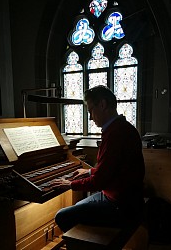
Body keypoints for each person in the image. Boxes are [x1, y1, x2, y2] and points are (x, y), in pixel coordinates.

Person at [50, 85, 145, 233]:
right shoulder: (123, 127)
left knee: (62, 216)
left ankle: (87, 244)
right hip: (128, 200)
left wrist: (70, 184)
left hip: (121, 206)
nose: (90, 117)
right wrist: (89, 172)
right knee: (78, 206)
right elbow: (113, 169)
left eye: (90, 111)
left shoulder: (115, 134)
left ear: (102, 104)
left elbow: (100, 181)